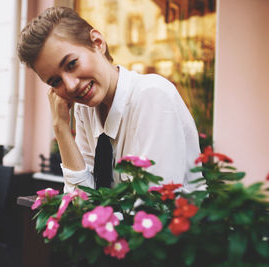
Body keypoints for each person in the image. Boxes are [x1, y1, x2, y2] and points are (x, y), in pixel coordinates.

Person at [18, 6, 202, 193]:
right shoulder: (86, 110)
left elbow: (154, 208)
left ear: (97, 43)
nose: (71, 85)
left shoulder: (152, 96)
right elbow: (83, 201)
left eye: (72, 64)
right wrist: (60, 128)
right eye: (56, 81)